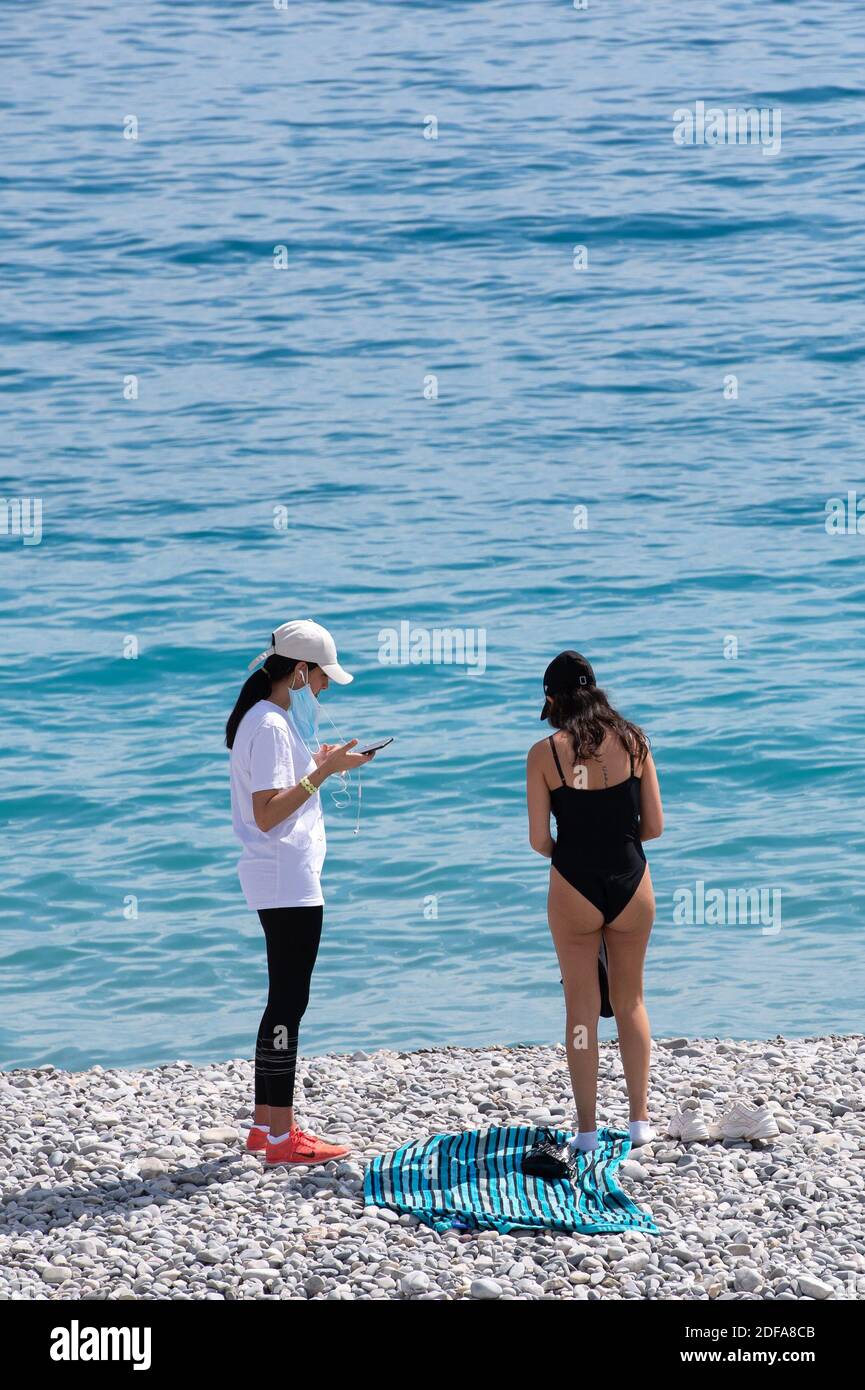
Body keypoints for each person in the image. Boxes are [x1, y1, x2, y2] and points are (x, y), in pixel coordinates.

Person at [226, 620, 376, 1166]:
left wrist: (322, 766)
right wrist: (325, 772)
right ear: (298, 671)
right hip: (286, 877)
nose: (325, 688)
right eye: (320, 677)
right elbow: (267, 814)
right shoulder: (268, 724)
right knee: (289, 1003)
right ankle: (284, 1138)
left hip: (280, 876)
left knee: (282, 1000)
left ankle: (265, 1127)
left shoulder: (266, 719)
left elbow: (278, 790)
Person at [526, 651, 663, 1156]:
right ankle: (639, 1121)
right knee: (631, 1001)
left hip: (574, 886)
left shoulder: (546, 753)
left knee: (580, 1010)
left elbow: (540, 839)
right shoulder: (635, 741)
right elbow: (654, 827)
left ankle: (585, 1130)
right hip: (632, 881)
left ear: (553, 699)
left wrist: (571, 853)